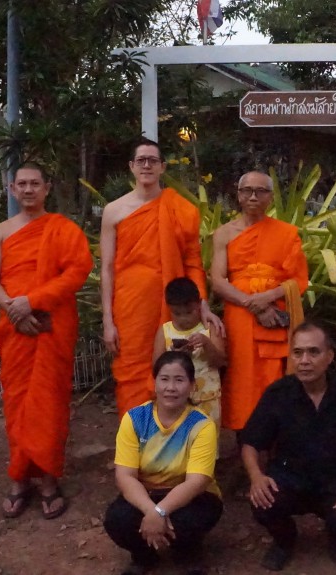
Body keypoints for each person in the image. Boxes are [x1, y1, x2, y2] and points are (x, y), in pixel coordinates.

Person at [0, 161, 94, 520]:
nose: (28, 190)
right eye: (22, 184)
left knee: (49, 401)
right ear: (12, 190)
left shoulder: (62, 228)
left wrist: (34, 301)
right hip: (14, 325)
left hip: (51, 323)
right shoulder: (1, 231)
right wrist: (14, 308)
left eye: (35, 184)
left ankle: (46, 479)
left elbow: (78, 271)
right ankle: (19, 477)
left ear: (47, 188)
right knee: (16, 403)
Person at [241, 322, 336, 571]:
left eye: (313, 352)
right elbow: (250, 443)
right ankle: (284, 541)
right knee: (263, 502)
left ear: (329, 356)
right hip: (288, 477)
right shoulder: (277, 393)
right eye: (298, 353)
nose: (304, 360)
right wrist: (256, 476)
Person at [101, 139, 223, 416]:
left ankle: (172, 444)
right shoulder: (114, 211)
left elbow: (192, 261)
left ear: (162, 167)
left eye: (152, 160)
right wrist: (108, 320)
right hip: (131, 304)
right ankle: (135, 443)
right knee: (131, 370)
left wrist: (202, 304)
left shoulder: (181, 209)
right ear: (131, 167)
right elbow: (107, 268)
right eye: (141, 160)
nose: (146, 165)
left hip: (173, 304)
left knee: (173, 369)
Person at [104, 351, 223, 575]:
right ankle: (143, 557)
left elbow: (197, 482)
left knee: (189, 522)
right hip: (146, 493)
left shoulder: (202, 425)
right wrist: (152, 511)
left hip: (192, 497)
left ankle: (187, 552)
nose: (171, 387)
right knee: (118, 520)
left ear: (192, 386)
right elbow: (125, 476)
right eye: (164, 379)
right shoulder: (135, 419)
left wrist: (160, 512)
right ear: (154, 382)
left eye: (179, 380)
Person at [210, 171, 308, 432]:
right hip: (240, 315)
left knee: (273, 374)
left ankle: (276, 441)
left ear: (270, 197)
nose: (253, 196)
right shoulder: (224, 234)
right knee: (242, 376)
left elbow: (299, 281)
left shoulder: (286, 233)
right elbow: (218, 280)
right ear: (239, 195)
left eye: (261, 191)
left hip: (275, 311)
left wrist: (267, 298)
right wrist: (251, 303)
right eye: (247, 191)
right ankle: (246, 444)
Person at [152, 278, 226, 425]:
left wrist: (206, 344)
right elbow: (156, 366)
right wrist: (173, 355)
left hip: (207, 397)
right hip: (176, 399)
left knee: (207, 438)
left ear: (199, 304)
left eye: (189, 312)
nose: (184, 318)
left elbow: (221, 361)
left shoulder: (209, 328)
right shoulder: (165, 331)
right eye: (177, 313)